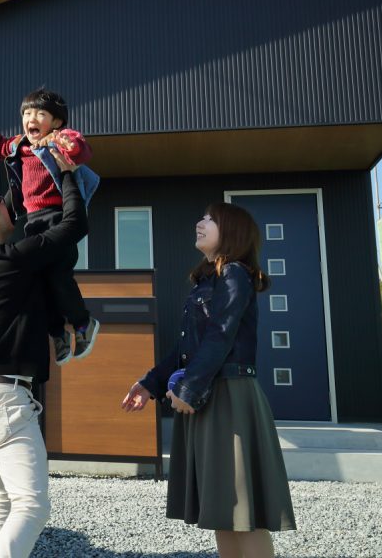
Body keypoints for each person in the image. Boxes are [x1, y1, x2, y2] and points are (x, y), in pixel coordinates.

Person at [121, 202, 295, 558]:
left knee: (242, 511)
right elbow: (186, 348)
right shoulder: (209, 279)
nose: (200, 223)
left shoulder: (235, 273)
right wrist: (150, 384)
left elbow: (221, 335)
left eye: (209, 219)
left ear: (231, 231)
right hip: (208, 396)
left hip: (230, 397)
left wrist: (188, 387)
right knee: (221, 509)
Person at [0, 153, 86, 557]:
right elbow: (75, 225)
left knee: (3, 497)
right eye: (2, 206)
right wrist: (67, 174)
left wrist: (21, 159)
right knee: (32, 505)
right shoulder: (15, 260)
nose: (11, 205)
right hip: (5, 399)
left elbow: (9, 202)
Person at [0, 88, 100, 365]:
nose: (31, 118)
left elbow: (81, 149)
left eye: (40, 114)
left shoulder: (58, 139)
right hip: (33, 222)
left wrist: (65, 143)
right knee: (39, 283)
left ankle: (83, 324)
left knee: (59, 279)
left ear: (56, 122)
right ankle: (57, 334)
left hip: (58, 217)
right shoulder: (20, 146)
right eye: (27, 113)